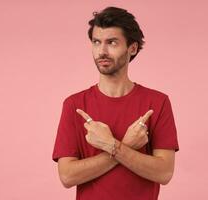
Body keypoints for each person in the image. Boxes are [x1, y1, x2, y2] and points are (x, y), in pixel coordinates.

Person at [52, 6, 179, 200]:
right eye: (96, 42)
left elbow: (164, 173)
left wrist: (111, 145)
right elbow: (67, 176)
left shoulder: (157, 102)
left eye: (112, 42)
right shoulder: (74, 105)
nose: (101, 51)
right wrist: (125, 145)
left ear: (132, 48)